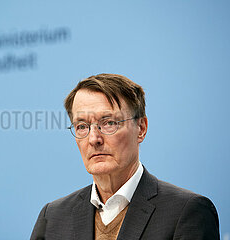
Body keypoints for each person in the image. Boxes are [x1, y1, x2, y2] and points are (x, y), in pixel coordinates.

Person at [30, 73, 219, 240]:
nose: (94, 139)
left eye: (109, 123)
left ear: (141, 129)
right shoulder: (53, 217)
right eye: (82, 126)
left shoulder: (186, 212)